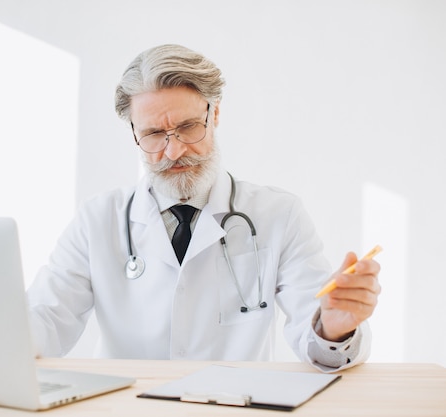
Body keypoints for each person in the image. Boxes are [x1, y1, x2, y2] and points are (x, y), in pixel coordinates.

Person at [27, 44, 381, 372]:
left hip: (236, 406)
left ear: (215, 115)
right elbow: (45, 319)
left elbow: (316, 338)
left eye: (188, 127)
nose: (174, 150)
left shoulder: (279, 215)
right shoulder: (97, 219)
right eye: (153, 134)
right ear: (134, 132)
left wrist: (332, 330)